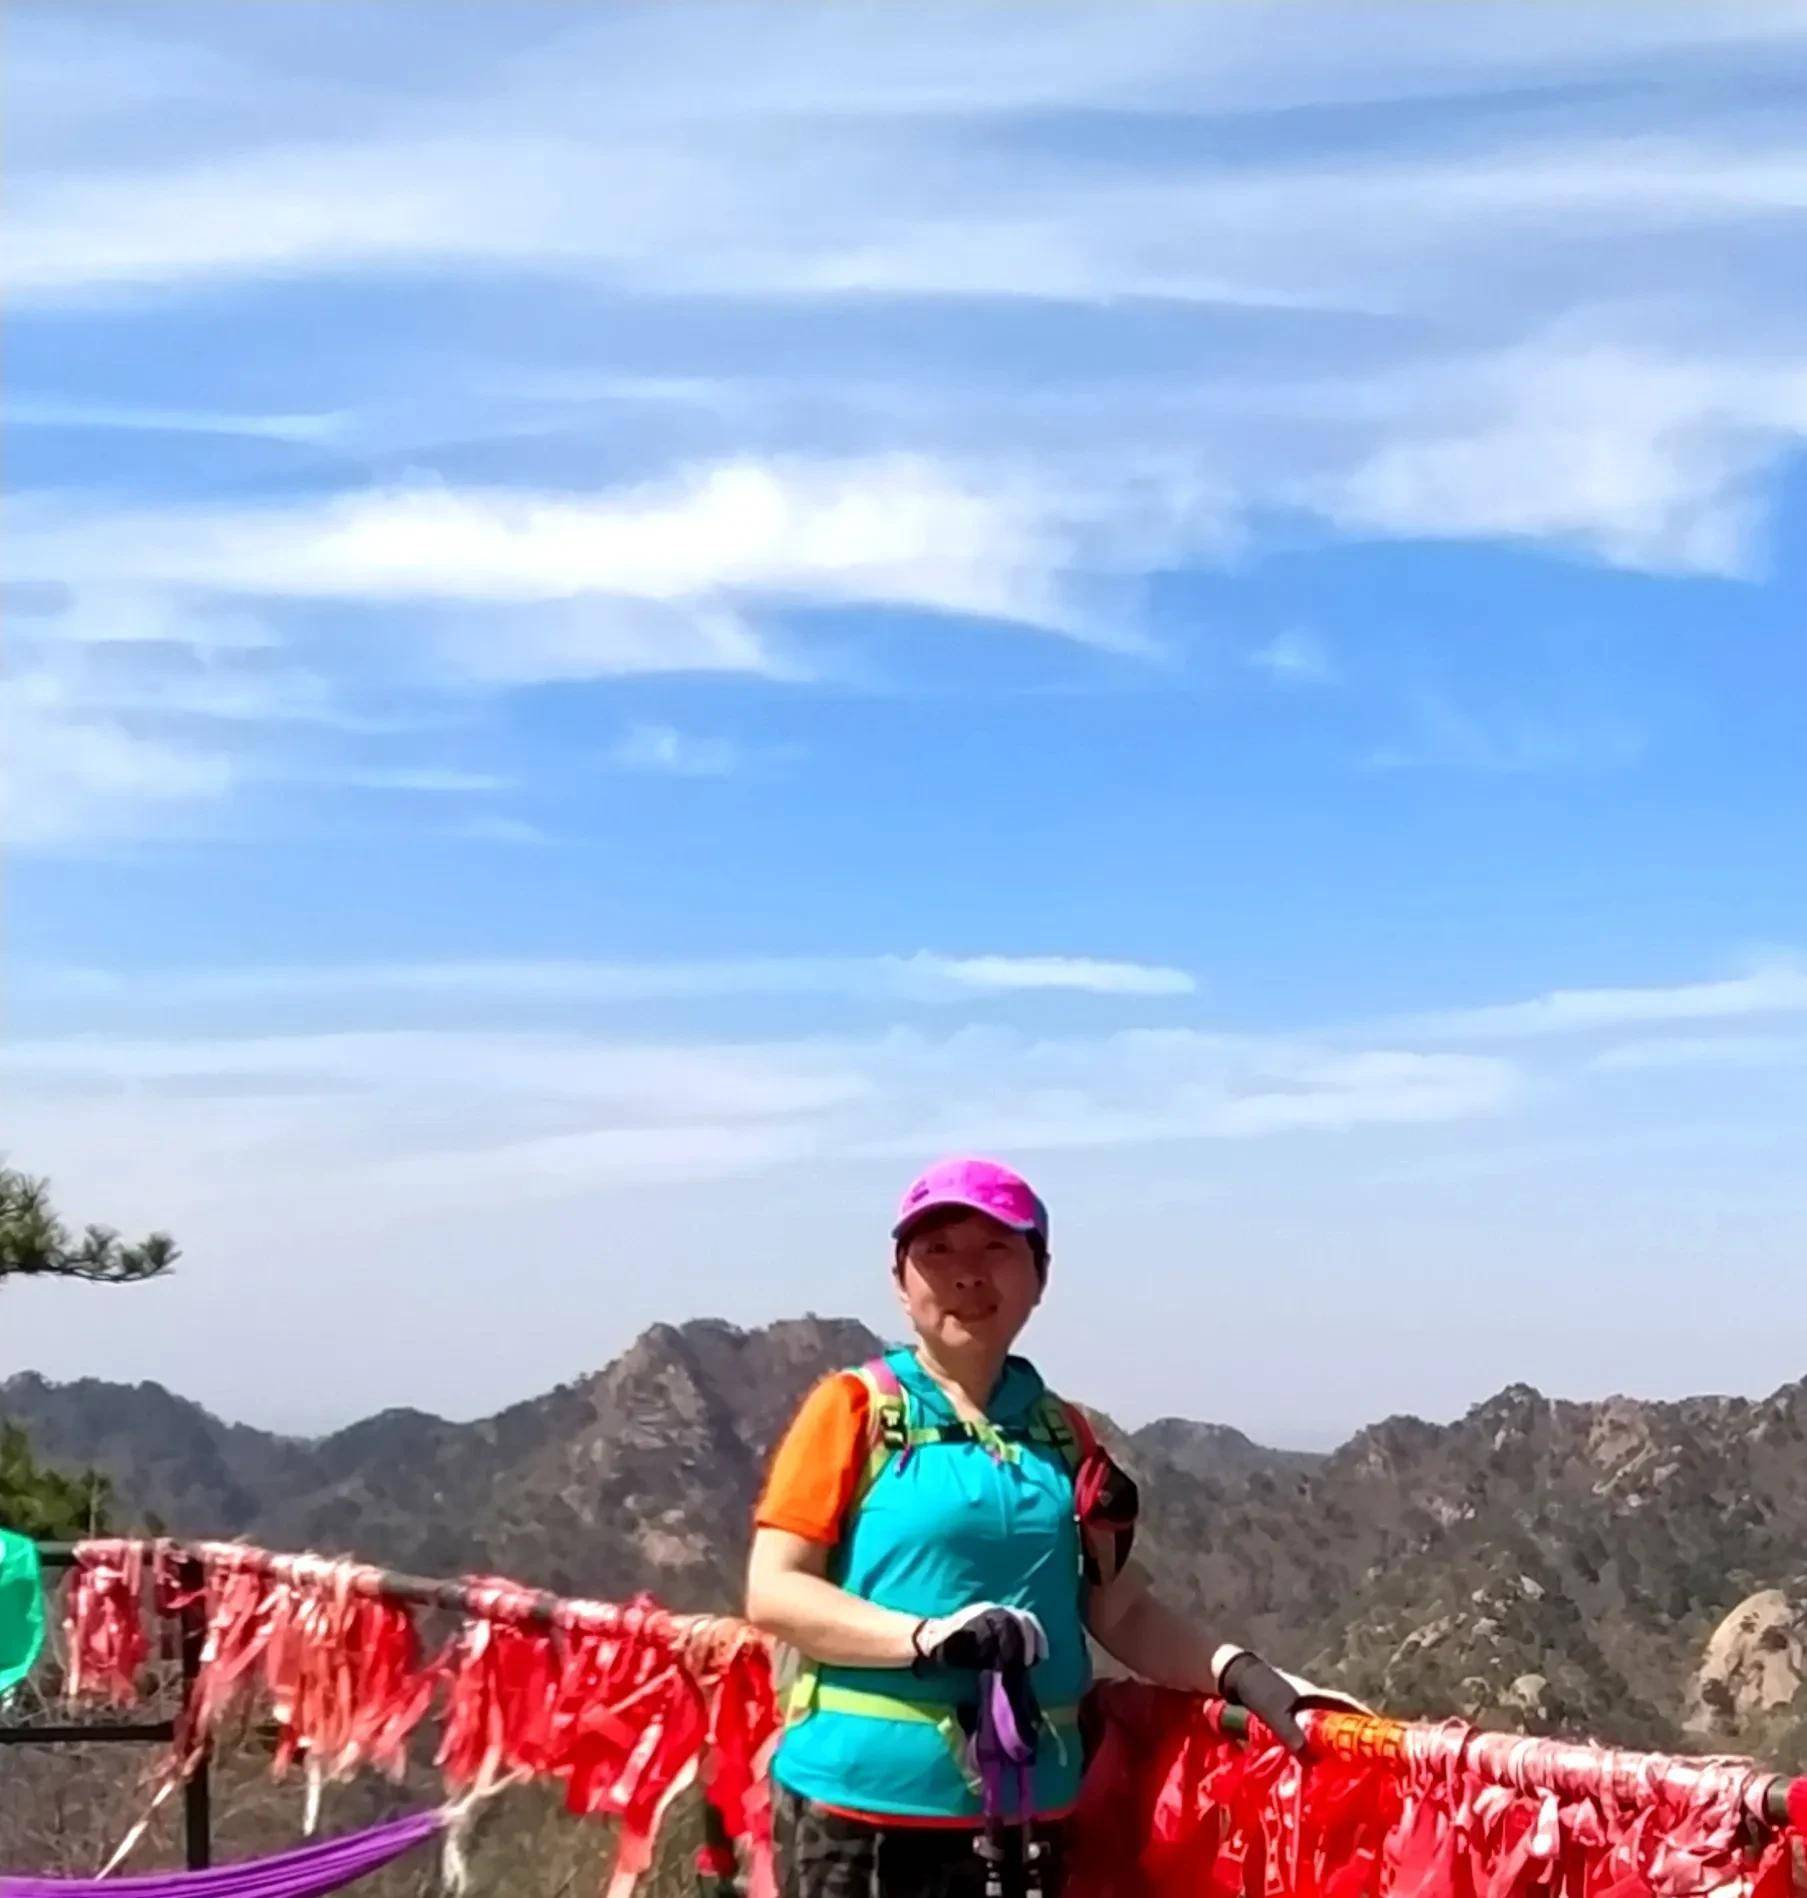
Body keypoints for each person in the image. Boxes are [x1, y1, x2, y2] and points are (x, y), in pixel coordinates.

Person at [747, 1156, 1321, 1898]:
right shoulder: (854, 1410)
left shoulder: (1061, 1434)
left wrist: (1241, 1674)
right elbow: (775, 1591)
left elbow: (1119, 1610)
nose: (966, 1274)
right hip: (861, 1820)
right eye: (937, 1251)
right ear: (900, 1280)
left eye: (996, 1249)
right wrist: (928, 1637)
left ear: (1040, 1276)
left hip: (1031, 1822)